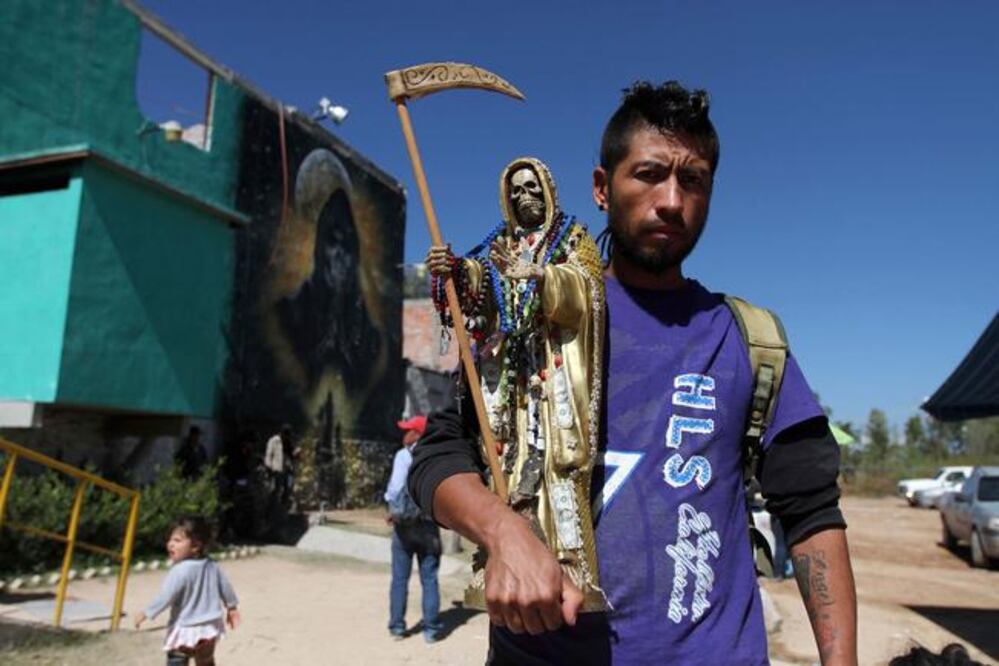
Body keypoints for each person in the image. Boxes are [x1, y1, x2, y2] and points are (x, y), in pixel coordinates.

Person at [410, 81, 857, 665]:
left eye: (692, 180)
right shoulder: (533, 319)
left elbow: (812, 514)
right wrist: (501, 531)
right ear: (602, 188)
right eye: (649, 174)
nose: (671, 199)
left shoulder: (749, 340)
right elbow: (438, 456)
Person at [425, 157, 606, 611]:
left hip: (555, 374)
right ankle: (505, 561)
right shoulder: (498, 245)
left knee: (556, 468)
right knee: (507, 465)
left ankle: (570, 569)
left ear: (548, 191)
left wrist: (542, 276)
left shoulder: (573, 239)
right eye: (517, 191)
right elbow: (479, 288)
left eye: (532, 188)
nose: (525, 197)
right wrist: (454, 270)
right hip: (510, 381)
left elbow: (589, 292)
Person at [135, 516, 240, 665]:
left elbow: (165, 596)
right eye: (170, 540)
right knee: (205, 661)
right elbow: (226, 586)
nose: (170, 544)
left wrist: (147, 612)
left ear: (195, 546)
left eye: (177, 541)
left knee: (177, 659)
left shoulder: (179, 571)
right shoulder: (212, 565)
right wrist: (232, 607)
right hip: (209, 628)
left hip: (185, 630)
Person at [385, 415, 443, 643]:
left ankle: (398, 627)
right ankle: (431, 630)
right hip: (429, 526)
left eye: (408, 430)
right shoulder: (436, 457)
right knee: (429, 578)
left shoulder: (403, 455)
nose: (404, 435)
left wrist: (393, 510)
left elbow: (395, 487)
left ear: (417, 434)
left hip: (404, 528)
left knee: (400, 578)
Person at [264, 424, 296, 508]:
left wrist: (296, 454)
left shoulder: (288, 442)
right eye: (286, 435)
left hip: (287, 470)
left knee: (288, 489)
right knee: (275, 490)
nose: (287, 437)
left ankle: (283, 508)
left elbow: (291, 455)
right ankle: (272, 508)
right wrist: (269, 467)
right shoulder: (274, 441)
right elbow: (268, 455)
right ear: (282, 434)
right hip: (276, 469)